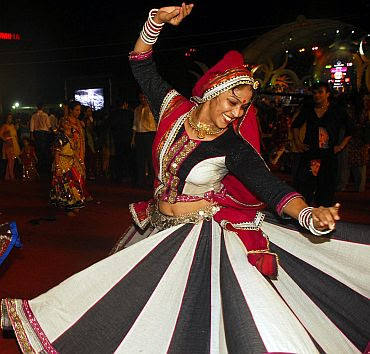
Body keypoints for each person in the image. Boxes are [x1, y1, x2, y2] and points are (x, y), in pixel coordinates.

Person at [1, 5, 369, 354]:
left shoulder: (233, 146)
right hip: (156, 225)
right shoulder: (173, 109)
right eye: (232, 103)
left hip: (195, 236)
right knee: (116, 292)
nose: (237, 113)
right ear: (213, 93)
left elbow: (271, 187)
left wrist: (308, 214)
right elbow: (141, 64)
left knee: (183, 319)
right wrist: (155, 21)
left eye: (243, 107)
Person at [291, 82, 353, 206]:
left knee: (326, 188)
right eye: (314, 93)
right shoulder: (308, 109)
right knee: (304, 186)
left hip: (328, 154)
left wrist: (341, 146)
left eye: (320, 92)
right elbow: (295, 125)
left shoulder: (336, 110)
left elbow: (350, 129)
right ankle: (303, 215)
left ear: (327, 94)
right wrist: (298, 142)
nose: (317, 95)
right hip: (310, 152)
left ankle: (321, 218)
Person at [49, 118, 85, 215]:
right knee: (66, 185)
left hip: (71, 162)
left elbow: (74, 152)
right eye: (65, 123)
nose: (68, 124)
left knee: (75, 183)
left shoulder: (72, 137)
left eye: (68, 123)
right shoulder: (60, 137)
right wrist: (57, 167)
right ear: (61, 127)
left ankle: (75, 204)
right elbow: (57, 152)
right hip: (62, 162)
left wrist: (81, 162)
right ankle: (68, 207)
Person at [65, 100, 92, 201]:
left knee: (80, 172)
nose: (78, 112)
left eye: (79, 110)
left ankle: (80, 193)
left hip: (80, 150)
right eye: (76, 110)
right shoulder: (66, 121)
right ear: (71, 110)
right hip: (70, 152)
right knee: (72, 174)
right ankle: (75, 195)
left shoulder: (79, 122)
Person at [132, 92, 157, 188]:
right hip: (139, 135)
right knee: (140, 159)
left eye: (144, 97)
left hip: (150, 135)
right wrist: (133, 139)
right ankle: (141, 180)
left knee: (150, 159)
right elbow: (134, 125)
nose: (142, 99)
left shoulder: (152, 108)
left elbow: (157, 123)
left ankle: (151, 181)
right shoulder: (137, 109)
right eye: (141, 97)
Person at [29, 103, 52, 180]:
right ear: (42, 107)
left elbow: (31, 126)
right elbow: (48, 125)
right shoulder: (45, 115)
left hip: (37, 133)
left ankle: (39, 167)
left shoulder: (34, 116)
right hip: (44, 133)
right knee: (44, 150)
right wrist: (51, 130)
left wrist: (32, 134)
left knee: (38, 150)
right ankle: (44, 168)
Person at [0, 112, 21, 180]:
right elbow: (0, 135)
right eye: (9, 118)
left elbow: (15, 135)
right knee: (10, 160)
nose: (10, 119)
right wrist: (6, 139)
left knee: (12, 160)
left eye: (11, 118)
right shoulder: (5, 126)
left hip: (14, 144)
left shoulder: (12, 126)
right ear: (6, 118)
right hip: (8, 145)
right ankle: (12, 176)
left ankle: (7, 176)